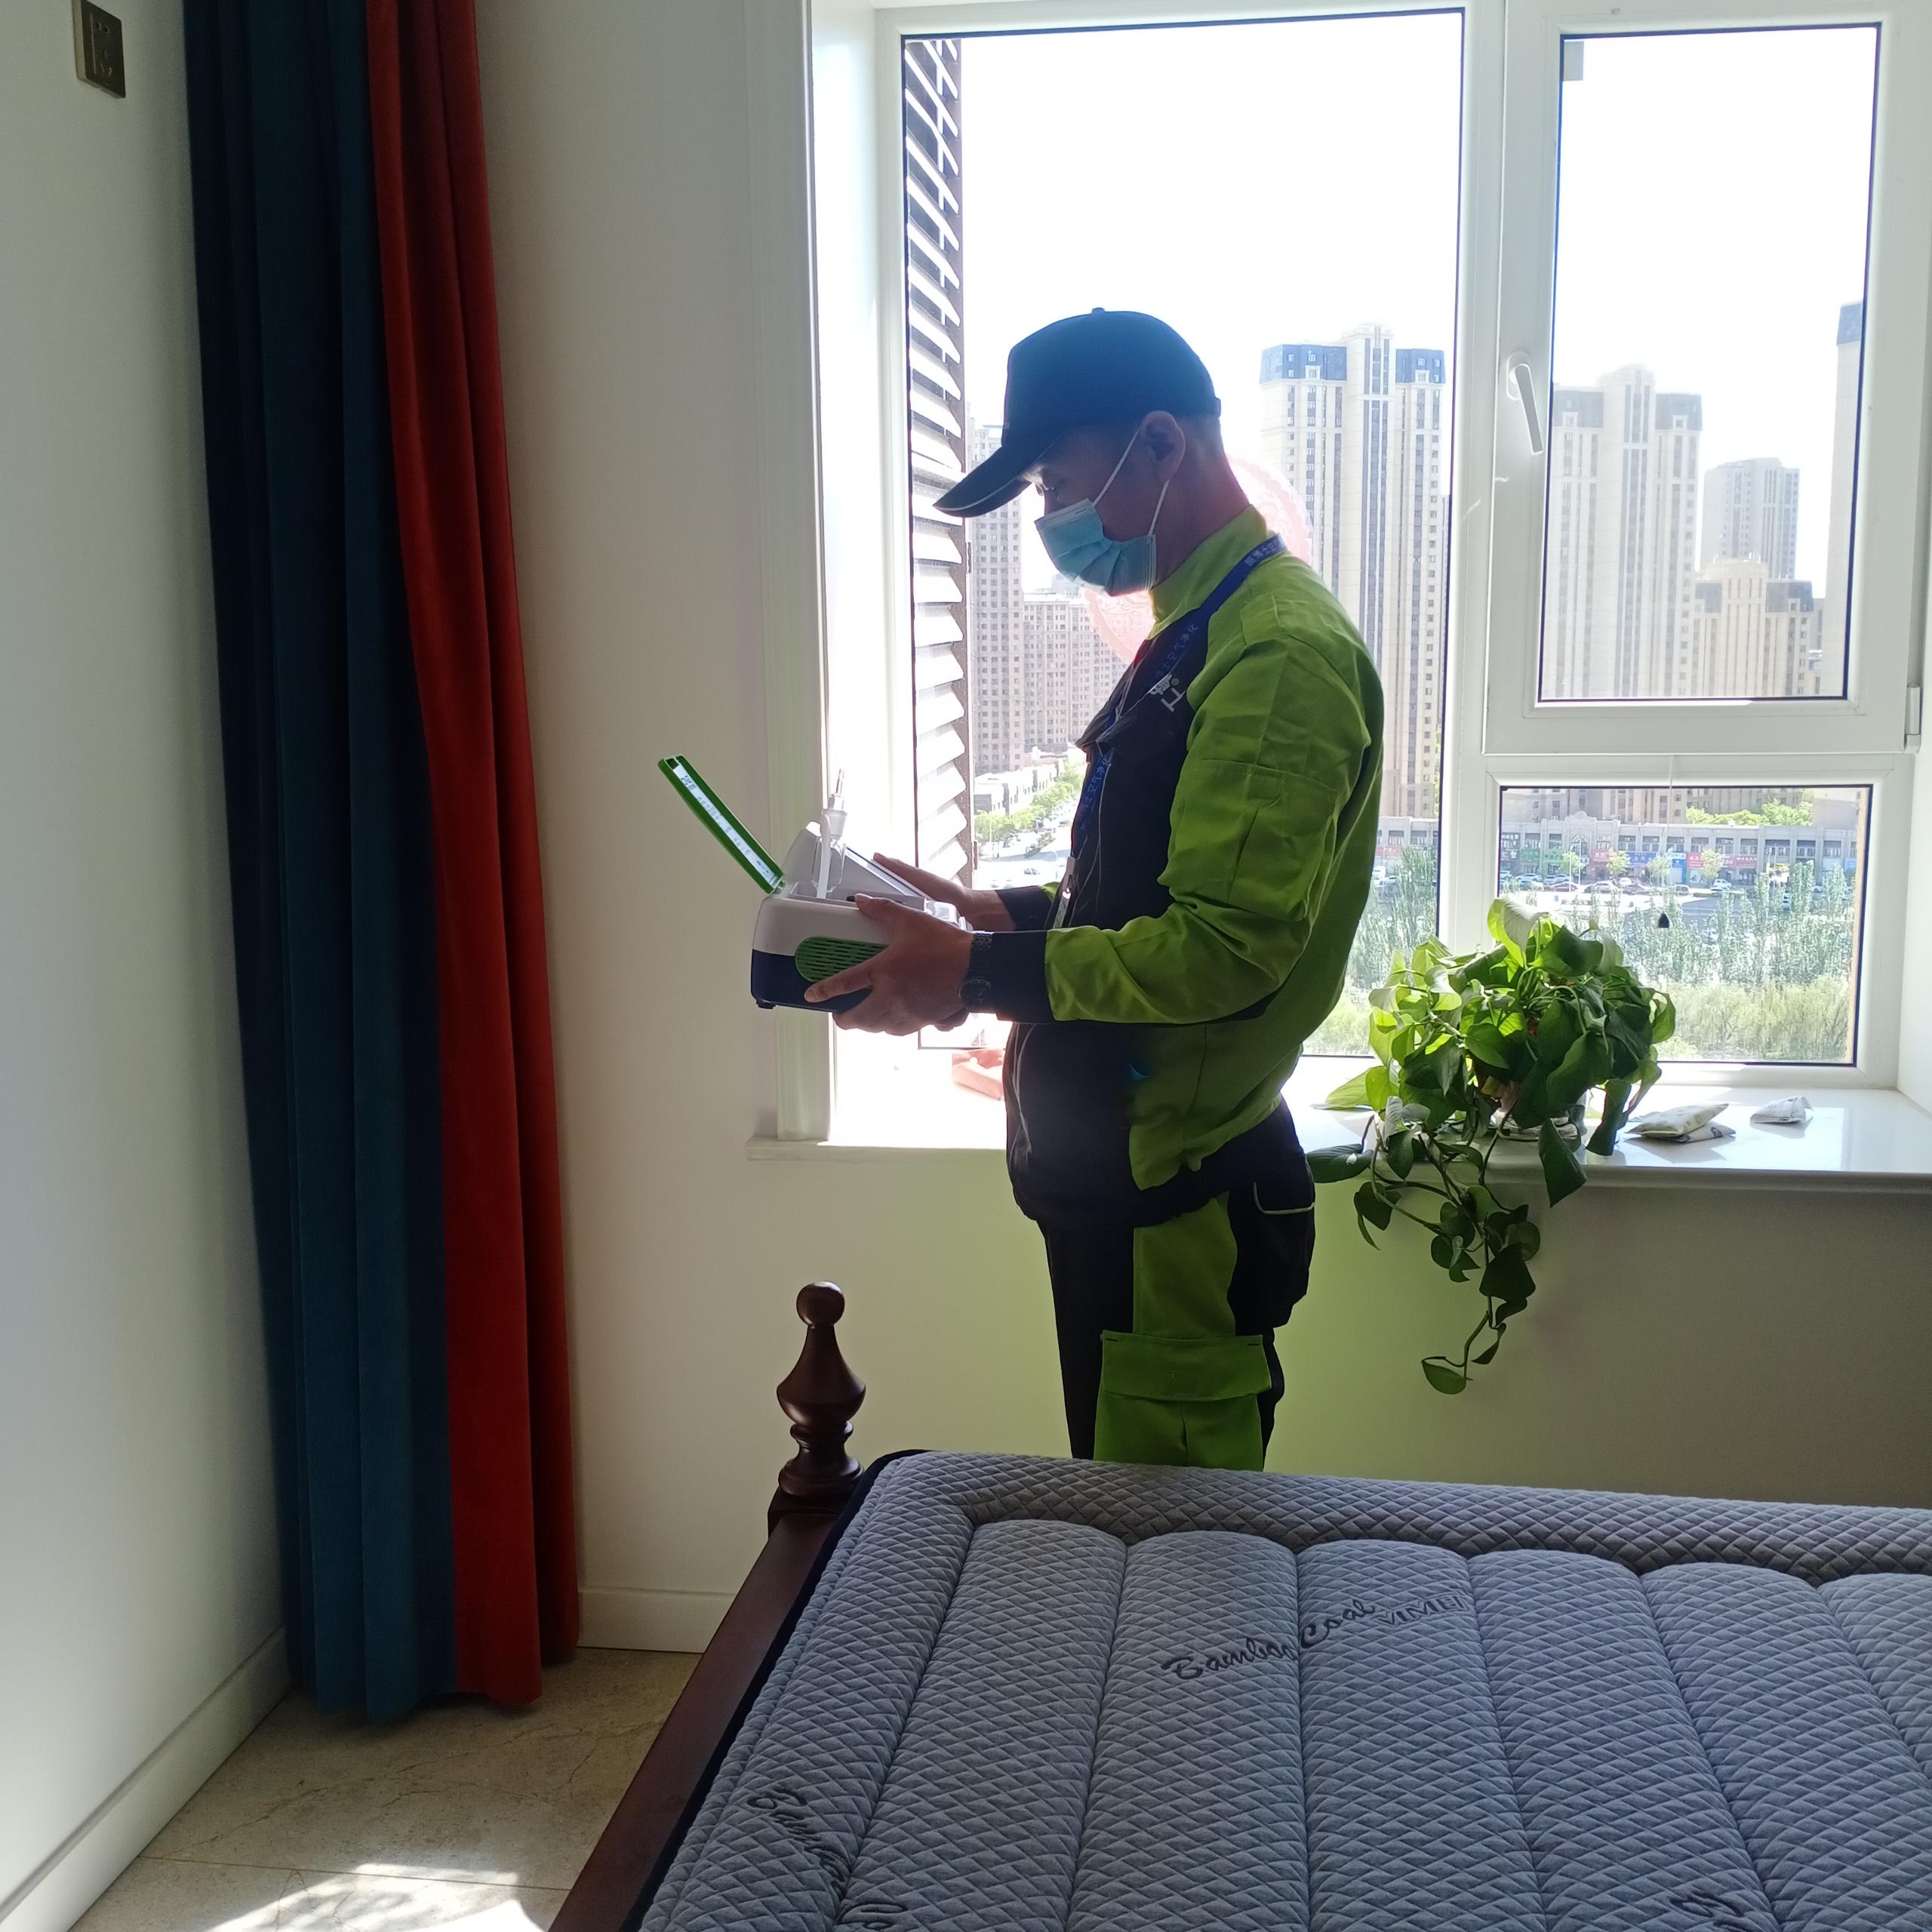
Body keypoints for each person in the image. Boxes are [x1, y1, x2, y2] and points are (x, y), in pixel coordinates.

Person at [805, 309, 1382, 1472]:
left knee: (1171, 1550)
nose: (1052, 520)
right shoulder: (1197, 628)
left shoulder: (1274, 655)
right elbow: (1148, 885)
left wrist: (973, 975)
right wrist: (994, 917)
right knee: (1123, 1517)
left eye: (1058, 484)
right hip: (1122, 1186)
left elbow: (1222, 949)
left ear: (1161, 444)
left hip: (1178, 1200)